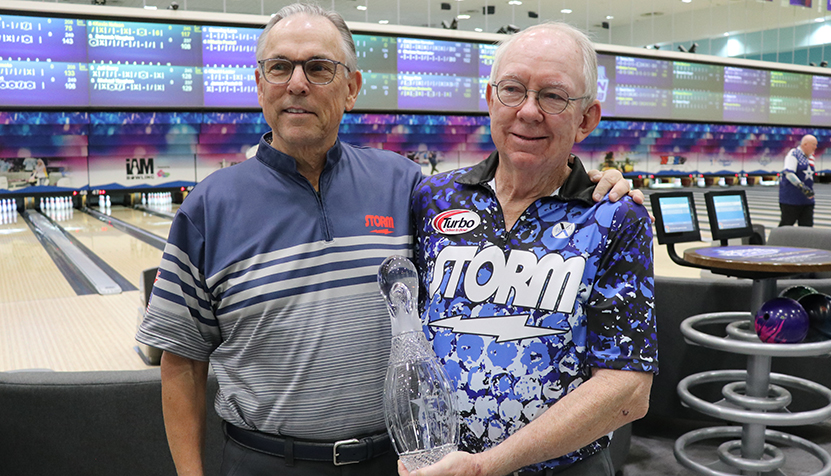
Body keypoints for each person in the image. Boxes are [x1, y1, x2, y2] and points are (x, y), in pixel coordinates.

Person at [136, 4, 638, 475]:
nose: (297, 84)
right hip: (265, 460)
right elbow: (180, 361)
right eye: (279, 67)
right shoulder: (208, 206)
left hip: (394, 460)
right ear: (259, 84)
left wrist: (587, 181)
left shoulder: (405, 186)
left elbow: (527, 181)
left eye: (318, 68)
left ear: (351, 88)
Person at [409, 22, 657, 476]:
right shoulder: (434, 198)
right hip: (438, 465)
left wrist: (486, 467)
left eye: (553, 96)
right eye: (513, 90)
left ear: (586, 119)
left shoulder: (615, 218)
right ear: (490, 99)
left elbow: (628, 390)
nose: (528, 111)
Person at [778, 134, 817, 227]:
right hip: (791, 200)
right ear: (805, 144)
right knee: (786, 225)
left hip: (806, 200)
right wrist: (803, 187)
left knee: (807, 227)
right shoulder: (794, 154)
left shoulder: (811, 157)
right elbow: (789, 173)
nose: (815, 147)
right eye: (813, 144)